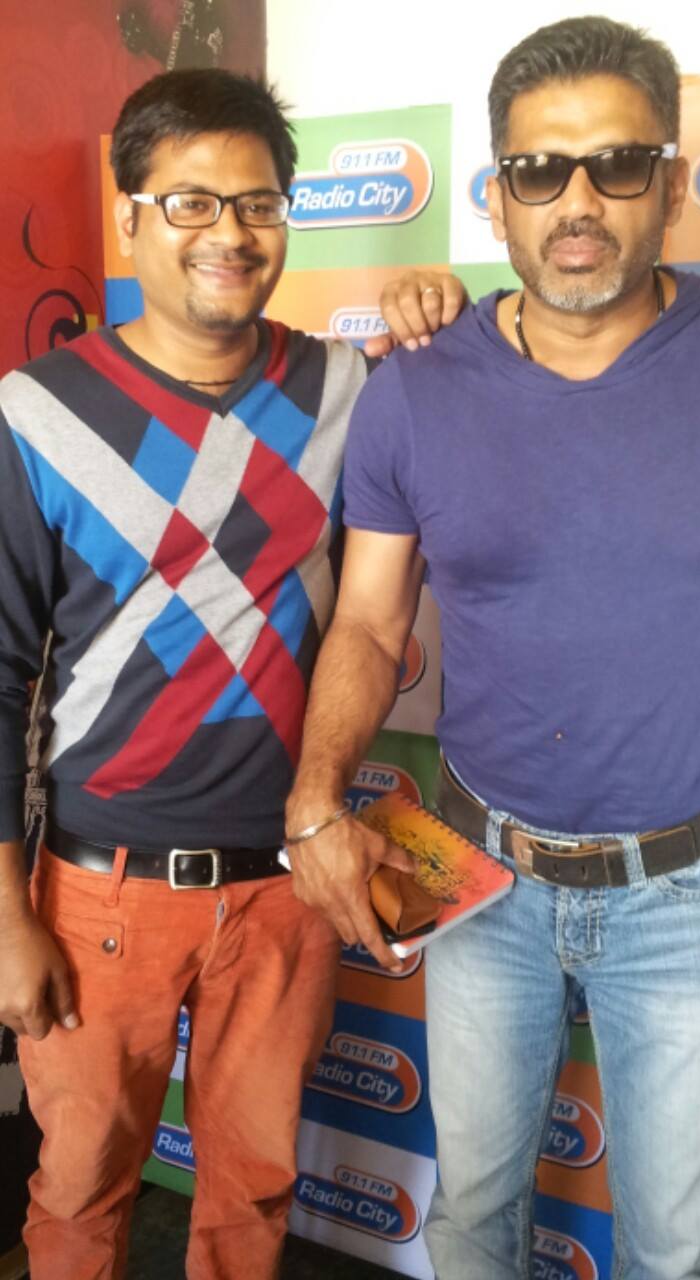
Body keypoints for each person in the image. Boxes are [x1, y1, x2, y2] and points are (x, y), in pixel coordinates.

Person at [285, 16, 700, 1280]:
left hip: (689, 886)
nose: (577, 201)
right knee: (470, 1219)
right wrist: (313, 797)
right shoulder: (413, 389)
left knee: (672, 1250)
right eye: (537, 170)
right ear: (495, 195)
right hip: (477, 870)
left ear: (670, 182)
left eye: (616, 164)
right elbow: (369, 621)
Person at [0, 67, 463, 1280]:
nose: (229, 232)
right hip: (97, 893)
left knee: (251, 1193)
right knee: (77, 1191)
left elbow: (513, 373)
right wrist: (5, 913)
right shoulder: (37, 414)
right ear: (130, 218)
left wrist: (442, 306)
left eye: (257, 203)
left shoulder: (349, 390)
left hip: (286, 885)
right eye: (191, 202)